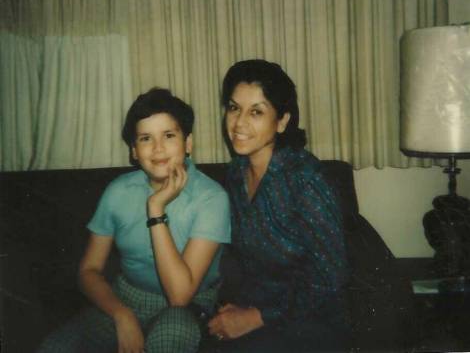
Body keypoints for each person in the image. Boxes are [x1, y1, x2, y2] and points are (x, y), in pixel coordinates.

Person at [37, 88, 231, 353]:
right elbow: (88, 270)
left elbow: (180, 295)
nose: (158, 148)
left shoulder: (212, 198)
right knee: (54, 347)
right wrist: (121, 315)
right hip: (126, 299)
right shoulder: (118, 191)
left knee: (169, 336)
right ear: (134, 151)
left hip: (188, 307)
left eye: (169, 136)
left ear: (188, 144)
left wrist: (155, 208)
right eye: (146, 138)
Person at [206, 59, 350, 352]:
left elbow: (330, 278)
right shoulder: (236, 173)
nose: (239, 123)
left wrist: (254, 317)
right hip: (256, 307)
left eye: (256, 111)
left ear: (282, 121)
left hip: (311, 319)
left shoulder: (306, 180)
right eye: (234, 108)